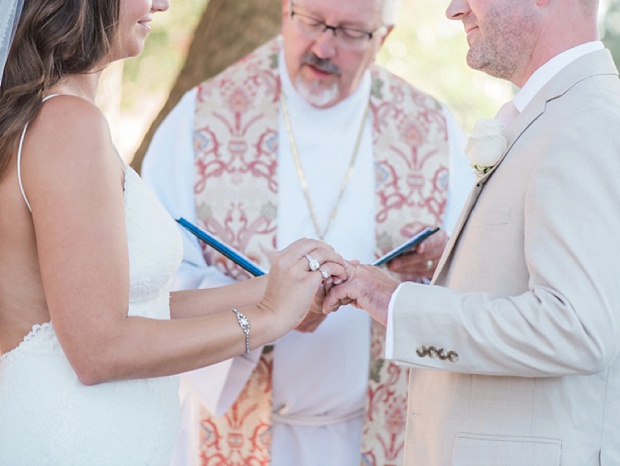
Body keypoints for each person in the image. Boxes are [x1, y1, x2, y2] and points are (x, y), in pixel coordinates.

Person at [0, 0, 348, 464]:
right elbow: (98, 350)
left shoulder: (57, 118)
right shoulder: (67, 125)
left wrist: (278, 292)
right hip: (74, 442)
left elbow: (138, 308)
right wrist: (266, 318)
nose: (162, 3)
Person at [142, 0, 473, 464]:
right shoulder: (200, 119)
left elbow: (471, 275)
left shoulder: (431, 129)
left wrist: (447, 259)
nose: (323, 46)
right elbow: (152, 282)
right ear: (285, 11)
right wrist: (269, 306)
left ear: (385, 37)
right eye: (312, 22)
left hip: (382, 432)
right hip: (235, 429)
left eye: (349, 32)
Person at [324, 0, 620, 464]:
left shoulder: (588, 121)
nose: (453, 10)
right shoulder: (554, 113)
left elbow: (576, 328)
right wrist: (457, 262)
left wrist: (392, 301)